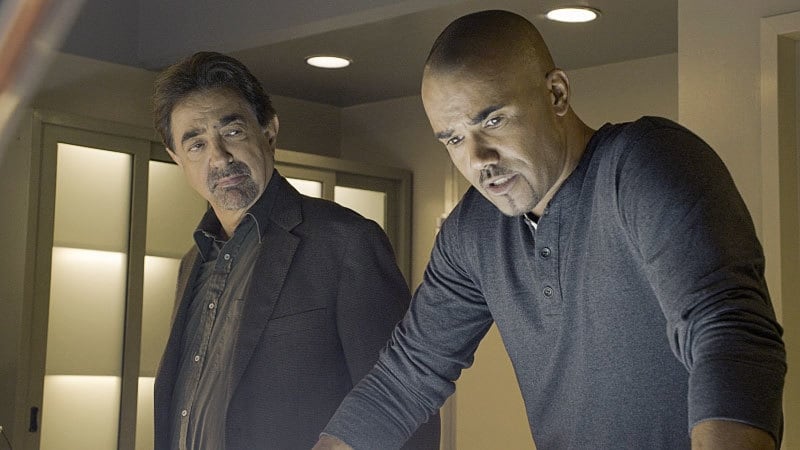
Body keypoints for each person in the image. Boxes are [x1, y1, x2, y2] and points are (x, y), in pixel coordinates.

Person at [314, 9, 786, 450]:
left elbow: (728, 332)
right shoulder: (472, 231)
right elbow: (403, 380)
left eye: (493, 120)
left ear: (557, 93)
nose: (478, 160)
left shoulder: (644, 164)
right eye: (454, 139)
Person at [150, 51, 440, 450]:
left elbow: (405, 406)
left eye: (232, 132)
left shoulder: (346, 244)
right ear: (176, 159)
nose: (219, 157)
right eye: (196, 144)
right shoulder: (192, 263)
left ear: (268, 132)